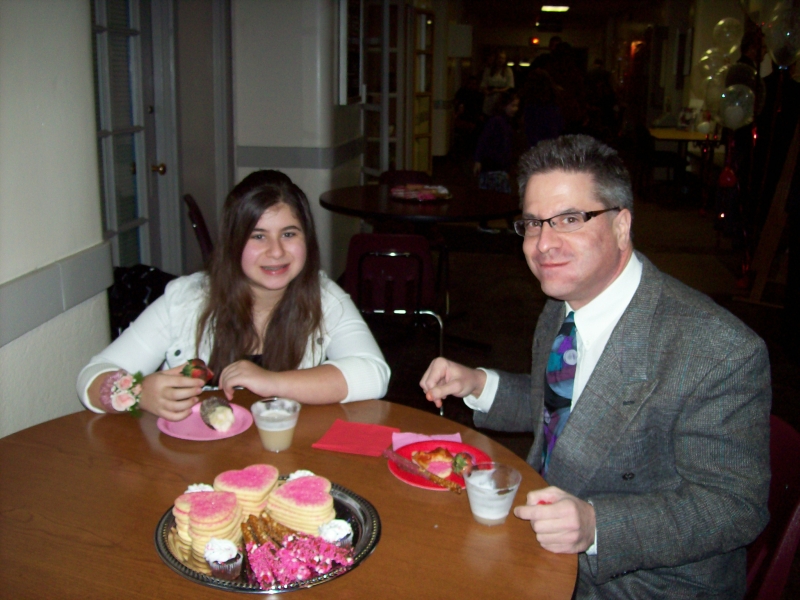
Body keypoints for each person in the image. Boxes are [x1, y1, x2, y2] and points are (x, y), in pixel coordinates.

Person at [420, 135, 771, 598]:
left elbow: (735, 506)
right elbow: (569, 409)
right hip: (543, 537)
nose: (544, 244)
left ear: (622, 226)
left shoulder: (718, 350)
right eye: (533, 223)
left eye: (570, 219)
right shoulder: (563, 303)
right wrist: (478, 384)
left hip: (645, 582)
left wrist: (597, 525)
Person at [77, 170, 391, 419]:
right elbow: (91, 378)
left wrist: (271, 381)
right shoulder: (186, 300)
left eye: (288, 234)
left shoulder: (324, 298)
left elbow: (374, 374)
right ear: (233, 243)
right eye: (258, 236)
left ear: (306, 238)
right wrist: (139, 393)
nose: (276, 251)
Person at [473, 90, 520, 232]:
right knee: (500, 196)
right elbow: (484, 141)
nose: (515, 109)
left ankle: (492, 223)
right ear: (504, 105)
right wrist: (478, 160)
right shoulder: (497, 121)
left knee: (494, 196)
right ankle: (507, 224)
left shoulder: (504, 122)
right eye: (512, 105)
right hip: (492, 164)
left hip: (497, 164)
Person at [480, 49, 515, 117]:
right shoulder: (488, 70)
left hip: (501, 98)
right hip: (490, 97)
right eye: (500, 58)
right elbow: (484, 84)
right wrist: (486, 91)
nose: (501, 60)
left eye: (503, 58)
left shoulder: (508, 71)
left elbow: (510, 86)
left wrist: (497, 90)